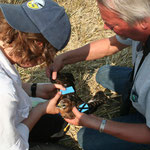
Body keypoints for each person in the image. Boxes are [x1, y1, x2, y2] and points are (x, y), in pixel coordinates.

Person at [49, 0, 150, 149]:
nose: (105, 27)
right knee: (103, 73)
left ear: (142, 22)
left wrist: (100, 124)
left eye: (113, 24)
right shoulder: (141, 23)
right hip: (141, 79)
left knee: (87, 138)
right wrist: (63, 58)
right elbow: (111, 44)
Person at [0, 0, 72, 150]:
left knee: (55, 123)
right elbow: (13, 147)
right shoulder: (5, 93)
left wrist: (34, 89)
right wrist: (41, 110)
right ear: (39, 47)